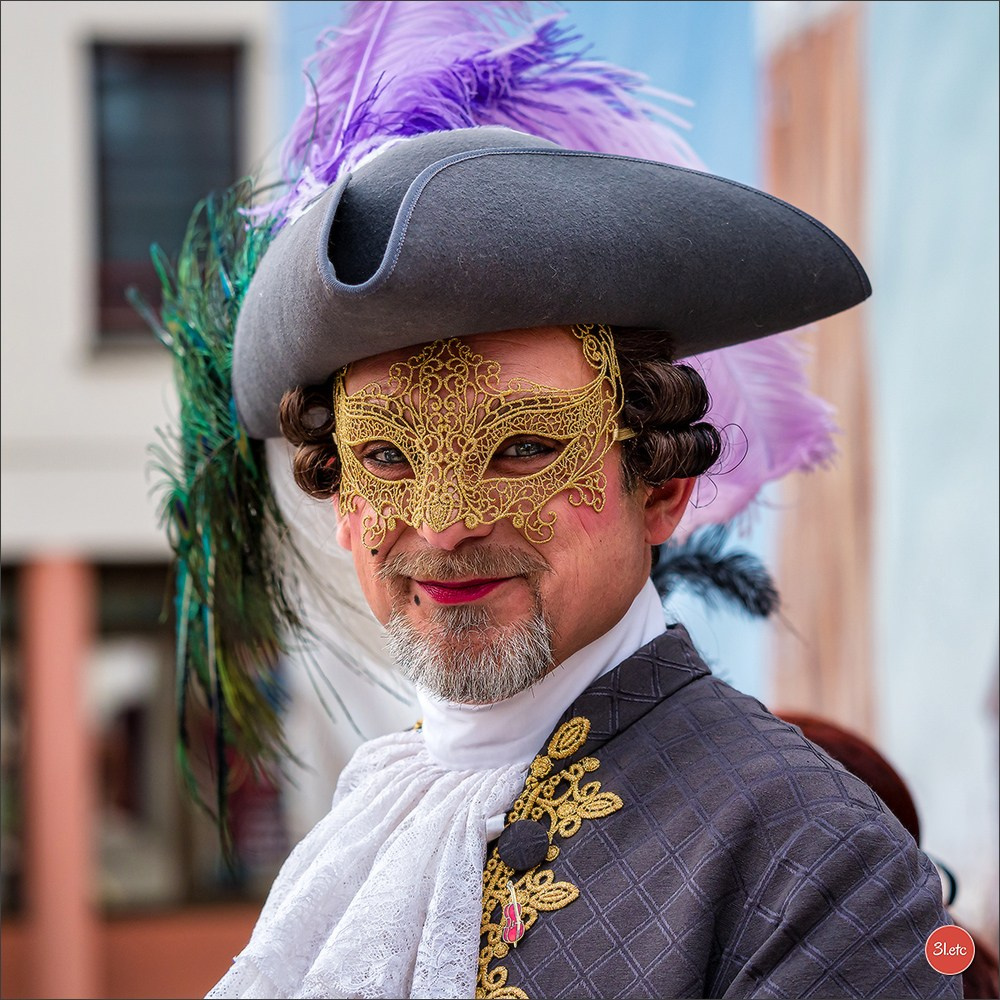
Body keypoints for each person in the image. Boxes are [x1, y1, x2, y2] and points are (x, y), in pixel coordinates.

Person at [150, 4, 963, 998]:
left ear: (659, 486)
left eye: (525, 446)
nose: (444, 525)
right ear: (342, 499)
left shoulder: (814, 864)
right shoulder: (359, 826)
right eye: (392, 458)